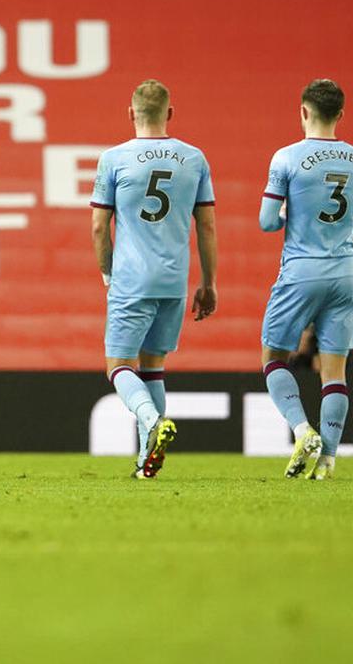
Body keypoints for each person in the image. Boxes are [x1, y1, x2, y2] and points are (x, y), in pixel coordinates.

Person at [90, 79, 218, 479]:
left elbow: (99, 226)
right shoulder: (194, 159)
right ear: (170, 113)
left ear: (131, 113)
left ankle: (151, 420)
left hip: (132, 278)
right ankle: (148, 461)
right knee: (154, 367)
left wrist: (108, 271)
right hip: (174, 279)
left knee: (118, 365)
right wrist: (209, 282)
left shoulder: (114, 159)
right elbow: (207, 227)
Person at [259, 79, 353, 480]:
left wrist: (293, 216)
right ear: (340, 114)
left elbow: (267, 222)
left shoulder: (286, 158)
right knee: (335, 371)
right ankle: (328, 460)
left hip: (301, 269)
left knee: (273, 358)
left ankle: (303, 429)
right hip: (345, 271)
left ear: (303, 111)